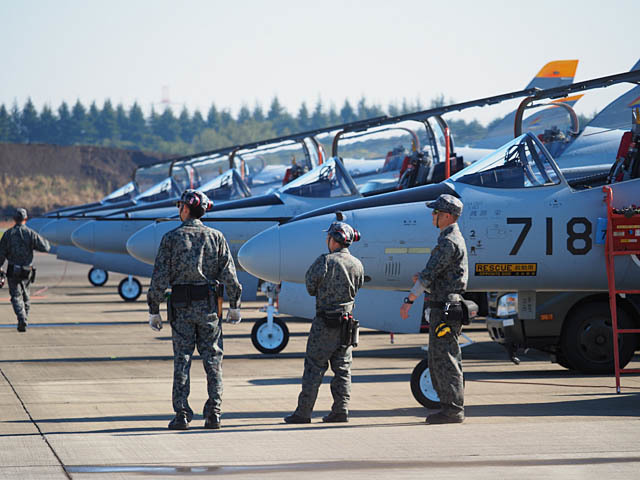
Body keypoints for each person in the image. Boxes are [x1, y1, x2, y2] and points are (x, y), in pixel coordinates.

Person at [147, 189, 242, 430]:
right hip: (209, 308)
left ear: (186, 208)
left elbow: (160, 276)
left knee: (182, 360)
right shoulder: (216, 237)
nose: (179, 210)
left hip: (181, 309)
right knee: (213, 360)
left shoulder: (171, 238)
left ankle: (181, 414)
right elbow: (230, 274)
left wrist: (154, 308)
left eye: (180, 206)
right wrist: (234, 305)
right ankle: (214, 413)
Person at [284, 221, 364, 424]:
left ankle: (303, 413)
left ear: (334, 239)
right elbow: (359, 286)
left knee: (314, 368)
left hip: (325, 323)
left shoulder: (325, 261)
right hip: (346, 324)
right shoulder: (357, 264)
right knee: (343, 369)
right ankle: (340, 410)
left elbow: (310, 286)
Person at [400, 194, 468, 424]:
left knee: (445, 358)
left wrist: (409, 300)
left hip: (446, 307)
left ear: (447, 216)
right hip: (444, 304)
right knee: (440, 356)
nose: (433, 216)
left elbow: (429, 275)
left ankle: (453, 410)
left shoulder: (448, 242)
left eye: (436, 212)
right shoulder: (449, 239)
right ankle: (448, 406)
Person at [0, 208, 50, 332]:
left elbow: (1, 253)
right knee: (26, 296)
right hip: (27, 270)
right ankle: (24, 318)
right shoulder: (31, 233)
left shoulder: (8, 234)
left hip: (13, 270)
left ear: (14, 219)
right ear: (26, 219)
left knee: (16, 296)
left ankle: (21, 318)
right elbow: (46, 247)